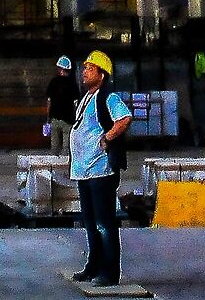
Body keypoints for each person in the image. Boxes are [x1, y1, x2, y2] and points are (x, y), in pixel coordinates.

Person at [69, 50, 131, 286]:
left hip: (100, 170)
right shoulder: (87, 97)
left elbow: (124, 118)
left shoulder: (109, 97)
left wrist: (108, 138)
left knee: (104, 223)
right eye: (84, 67)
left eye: (90, 68)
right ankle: (93, 266)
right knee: (90, 222)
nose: (84, 72)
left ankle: (109, 272)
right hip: (84, 171)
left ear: (102, 74)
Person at [45, 54, 79, 156]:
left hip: (54, 118)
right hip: (68, 120)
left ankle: (53, 169)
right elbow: (76, 105)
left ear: (60, 68)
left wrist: (48, 118)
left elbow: (49, 102)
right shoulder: (73, 84)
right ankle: (65, 169)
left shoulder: (53, 82)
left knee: (54, 147)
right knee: (66, 148)